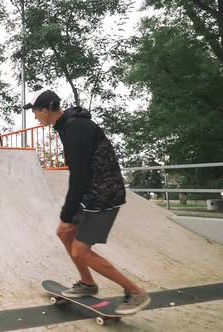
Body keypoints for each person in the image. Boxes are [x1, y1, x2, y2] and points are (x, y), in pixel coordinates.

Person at [23, 89, 151, 314]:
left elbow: (79, 175)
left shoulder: (75, 128)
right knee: (65, 234)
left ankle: (135, 292)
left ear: (45, 111)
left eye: (35, 113)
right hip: (91, 193)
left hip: (103, 196)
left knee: (81, 251)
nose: (34, 117)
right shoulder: (67, 125)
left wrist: (66, 215)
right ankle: (87, 284)